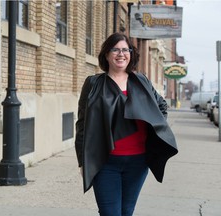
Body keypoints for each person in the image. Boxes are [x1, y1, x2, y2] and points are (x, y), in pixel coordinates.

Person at [75, 32, 178, 216]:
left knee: (126, 212)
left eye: (125, 49)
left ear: (131, 54)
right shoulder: (93, 83)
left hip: (138, 163)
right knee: (110, 213)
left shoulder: (141, 81)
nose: (120, 54)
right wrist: (82, 161)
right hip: (105, 162)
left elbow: (160, 106)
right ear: (106, 54)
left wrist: (156, 128)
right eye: (115, 49)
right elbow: (82, 124)